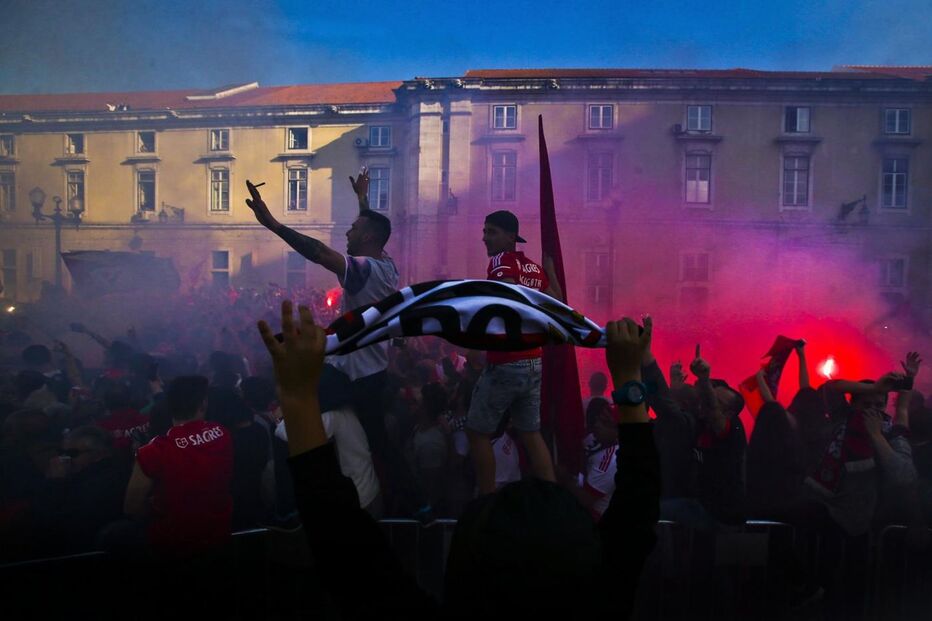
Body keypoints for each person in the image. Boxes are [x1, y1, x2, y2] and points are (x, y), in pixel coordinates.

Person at [256, 300, 659, 619]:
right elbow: (639, 506)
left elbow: (341, 542)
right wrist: (630, 379)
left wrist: (298, 395)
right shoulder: (606, 601)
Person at [245, 172, 424, 515]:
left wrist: (273, 224)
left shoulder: (365, 269)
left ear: (367, 237)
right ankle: (418, 505)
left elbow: (318, 253)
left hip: (353, 376)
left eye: (353, 229)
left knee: (287, 429)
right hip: (371, 371)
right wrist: (362, 199)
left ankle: (288, 510)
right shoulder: (387, 264)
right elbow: (374, 229)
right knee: (380, 443)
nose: (347, 232)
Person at [466, 210, 562, 495]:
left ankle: (486, 500)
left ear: (511, 237)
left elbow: (503, 302)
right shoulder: (532, 268)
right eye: (484, 231)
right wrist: (550, 270)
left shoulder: (500, 261)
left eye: (492, 232)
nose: (485, 238)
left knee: (477, 433)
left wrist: (476, 341)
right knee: (530, 433)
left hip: (506, 361)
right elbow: (557, 303)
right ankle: (552, 499)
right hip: (533, 360)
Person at [123, 375, 233, 557]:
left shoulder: (153, 451)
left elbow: (131, 507)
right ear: (203, 403)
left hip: (172, 544)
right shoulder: (222, 434)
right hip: (220, 537)